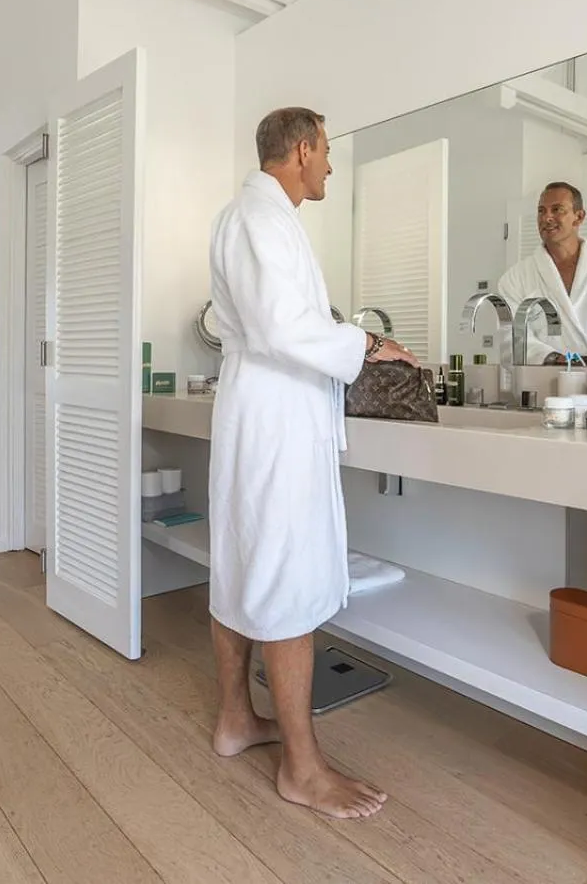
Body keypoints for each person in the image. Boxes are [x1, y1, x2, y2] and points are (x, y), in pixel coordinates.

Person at [206, 106, 417, 819]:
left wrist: (349, 343)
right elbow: (282, 327)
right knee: (286, 574)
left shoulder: (248, 216)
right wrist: (363, 343)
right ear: (300, 150)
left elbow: (268, 323)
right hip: (276, 417)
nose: (329, 165)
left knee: (243, 562)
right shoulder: (263, 218)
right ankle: (302, 767)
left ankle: (237, 719)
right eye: (325, 152)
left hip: (257, 411)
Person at [496, 181, 587, 365]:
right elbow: (510, 339)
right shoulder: (515, 279)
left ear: (578, 217)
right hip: (545, 381)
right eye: (541, 211)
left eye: (557, 210)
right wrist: (553, 359)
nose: (547, 218)